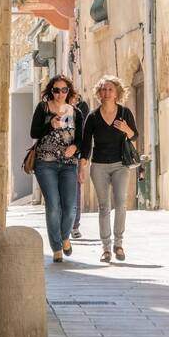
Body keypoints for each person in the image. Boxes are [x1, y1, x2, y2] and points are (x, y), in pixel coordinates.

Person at [79, 75, 138, 263]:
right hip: (99, 166)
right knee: (104, 207)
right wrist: (82, 165)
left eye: (110, 89)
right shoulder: (93, 117)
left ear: (117, 93)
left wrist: (125, 129)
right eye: (103, 89)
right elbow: (86, 144)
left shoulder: (124, 113)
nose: (106, 92)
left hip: (121, 164)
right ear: (99, 93)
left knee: (120, 204)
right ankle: (106, 248)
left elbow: (134, 136)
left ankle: (118, 244)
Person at [30, 75, 83, 263]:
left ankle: (65, 236)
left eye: (64, 90)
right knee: (53, 205)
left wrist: (75, 148)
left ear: (69, 91)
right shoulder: (43, 108)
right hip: (46, 162)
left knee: (70, 208)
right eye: (56, 90)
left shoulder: (75, 112)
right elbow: (34, 132)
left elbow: (82, 139)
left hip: (69, 165)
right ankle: (57, 248)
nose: (60, 94)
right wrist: (49, 125)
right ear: (50, 91)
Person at [69, 86, 90, 239]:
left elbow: (84, 138)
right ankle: (65, 225)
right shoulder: (54, 111)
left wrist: (84, 159)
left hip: (74, 158)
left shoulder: (79, 114)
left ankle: (75, 226)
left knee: (75, 192)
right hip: (55, 158)